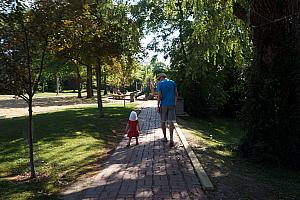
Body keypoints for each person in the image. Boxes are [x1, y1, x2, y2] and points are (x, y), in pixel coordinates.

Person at [157, 73, 178, 147]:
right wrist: (174, 103)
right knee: (171, 122)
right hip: (172, 104)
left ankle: (165, 137)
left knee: (163, 121)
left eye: (159, 79)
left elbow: (159, 96)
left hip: (164, 105)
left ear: (161, 78)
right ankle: (171, 139)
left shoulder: (160, 84)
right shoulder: (172, 82)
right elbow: (176, 94)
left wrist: (158, 105)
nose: (159, 80)